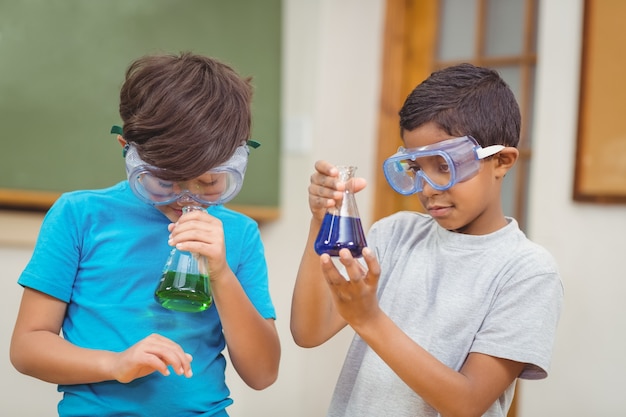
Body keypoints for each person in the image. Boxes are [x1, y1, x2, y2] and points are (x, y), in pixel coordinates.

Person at [10, 52, 280, 417]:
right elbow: (27, 348)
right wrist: (115, 364)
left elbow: (263, 373)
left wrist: (221, 273)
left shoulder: (240, 234)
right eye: (164, 181)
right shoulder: (79, 216)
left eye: (210, 181)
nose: (186, 197)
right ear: (128, 152)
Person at [290, 63, 563, 417]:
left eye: (445, 165)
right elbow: (308, 332)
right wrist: (321, 221)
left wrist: (369, 319)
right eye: (417, 168)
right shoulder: (394, 234)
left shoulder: (528, 272)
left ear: (501, 161)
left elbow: (466, 403)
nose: (429, 188)